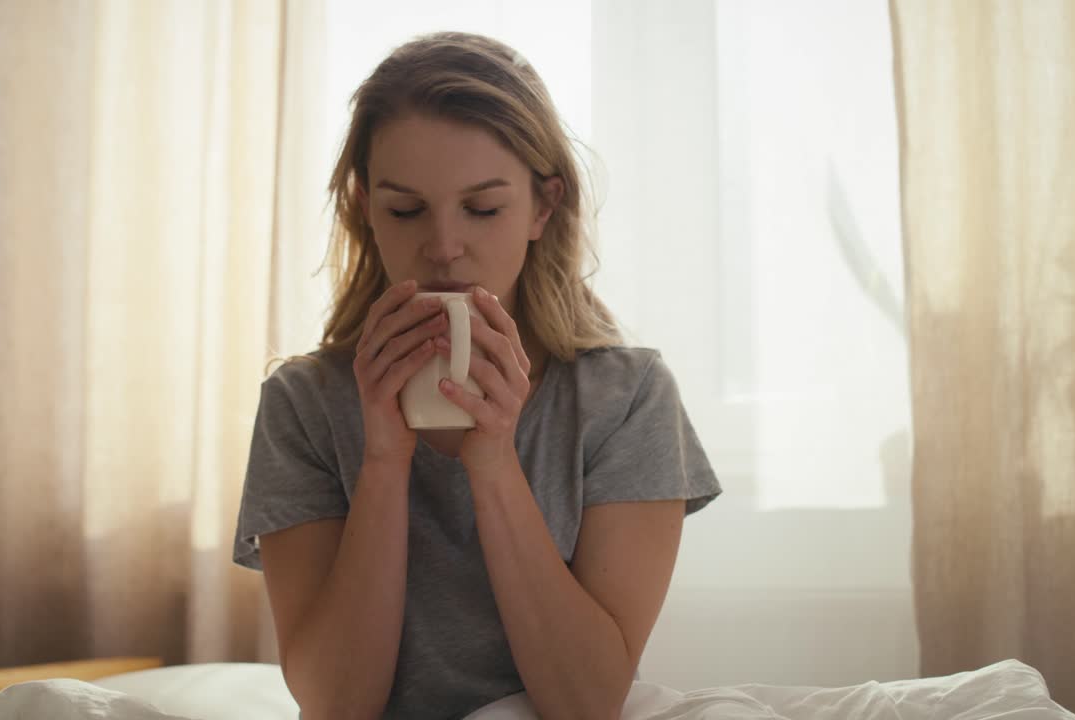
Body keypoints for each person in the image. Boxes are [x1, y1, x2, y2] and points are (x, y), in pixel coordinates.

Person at [233, 31, 721, 720]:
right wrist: (382, 459)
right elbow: (336, 706)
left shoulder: (627, 398)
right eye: (405, 210)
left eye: (483, 208)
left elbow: (586, 704)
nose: (443, 248)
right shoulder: (302, 406)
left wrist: (493, 460)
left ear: (543, 207)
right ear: (364, 206)